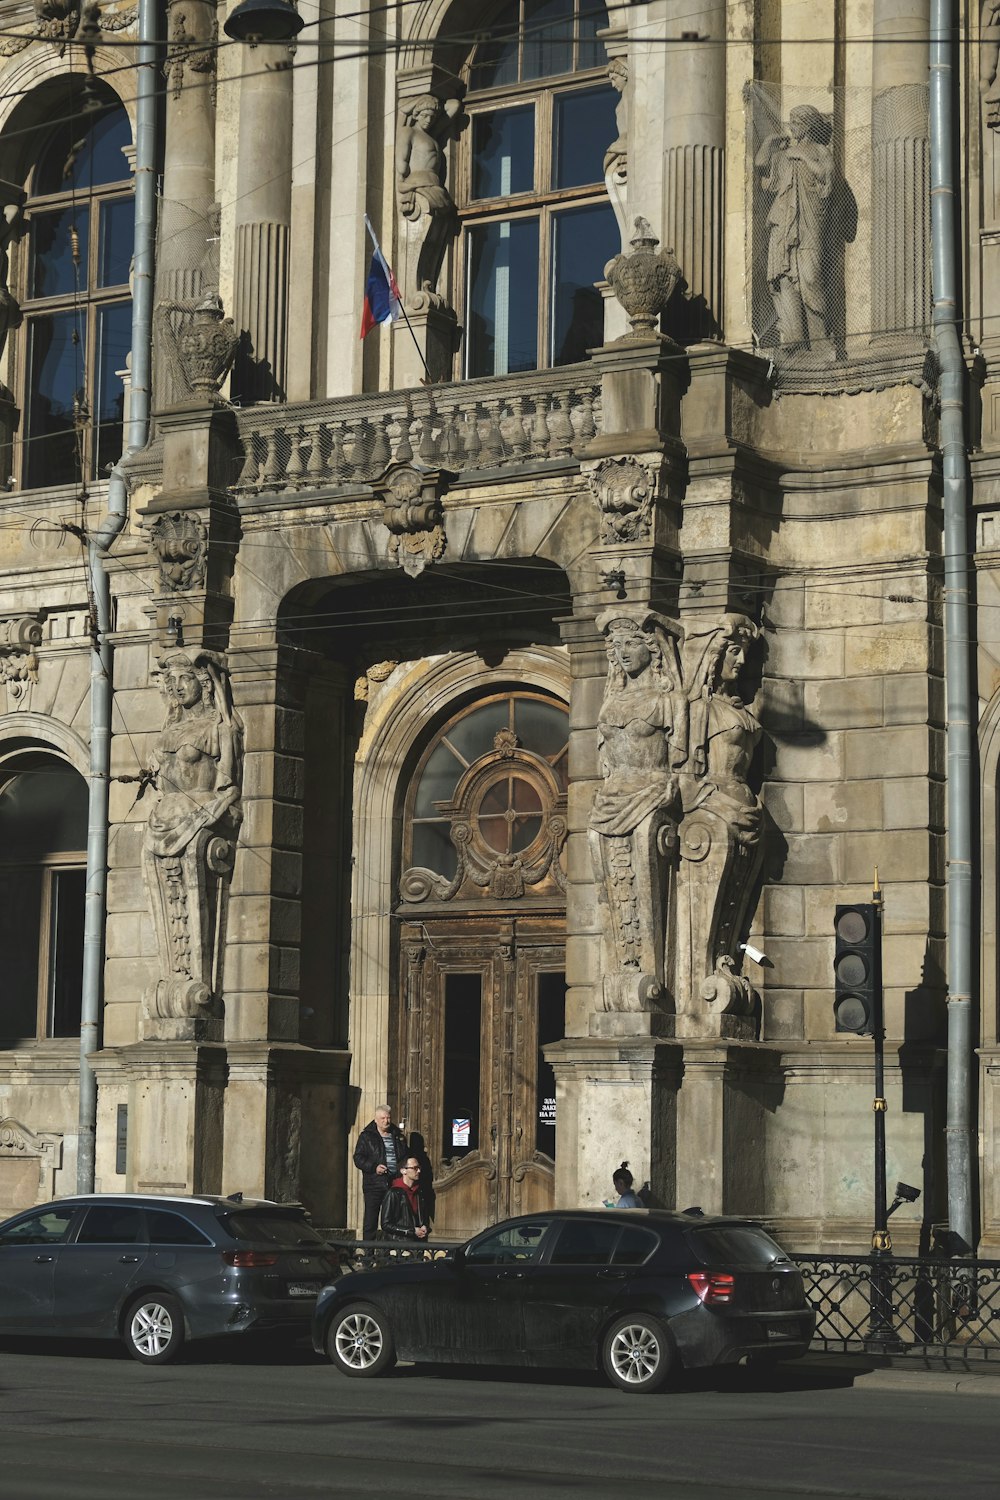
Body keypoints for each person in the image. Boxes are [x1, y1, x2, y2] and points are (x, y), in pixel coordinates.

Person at [353, 1105, 409, 1241]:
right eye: (383, 1118)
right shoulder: (366, 1136)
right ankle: (368, 1256)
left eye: (388, 1118)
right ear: (376, 1120)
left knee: (391, 1221)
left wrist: (403, 1169)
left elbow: (404, 1157)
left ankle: (390, 1253)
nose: (386, 1121)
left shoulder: (397, 1136)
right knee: (370, 1222)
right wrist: (374, 1167)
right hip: (374, 1185)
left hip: (394, 1184)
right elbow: (358, 1158)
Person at [379, 1156, 431, 1242]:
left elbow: (422, 1218)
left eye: (419, 1167)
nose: (419, 1171)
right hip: (398, 1245)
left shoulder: (419, 1193)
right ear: (403, 1171)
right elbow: (385, 1224)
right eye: (415, 1168)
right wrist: (411, 1231)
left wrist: (425, 1227)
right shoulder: (393, 1193)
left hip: (417, 1245)